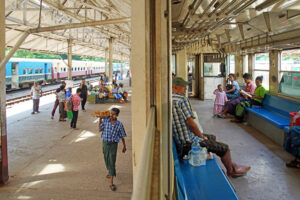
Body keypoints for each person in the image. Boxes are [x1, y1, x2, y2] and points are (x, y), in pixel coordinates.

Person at [172, 77, 250, 177]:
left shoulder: (170, 99)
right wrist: (201, 136)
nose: (185, 89)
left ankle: (233, 165)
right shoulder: (181, 99)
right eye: (183, 87)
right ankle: (231, 171)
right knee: (225, 148)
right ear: (175, 87)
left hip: (183, 138)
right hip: (188, 143)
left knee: (214, 138)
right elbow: (190, 123)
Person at [99, 108, 127, 191]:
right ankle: (110, 171)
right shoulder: (106, 121)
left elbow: (122, 136)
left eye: (113, 114)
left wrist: (124, 146)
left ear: (117, 115)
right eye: (111, 113)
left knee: (112, 160)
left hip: (113, 144)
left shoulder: (119, 124)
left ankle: (111, 182)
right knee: (106, 158)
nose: (111, 115)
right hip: (105, 143)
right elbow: (100, 129)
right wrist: (100, 119)